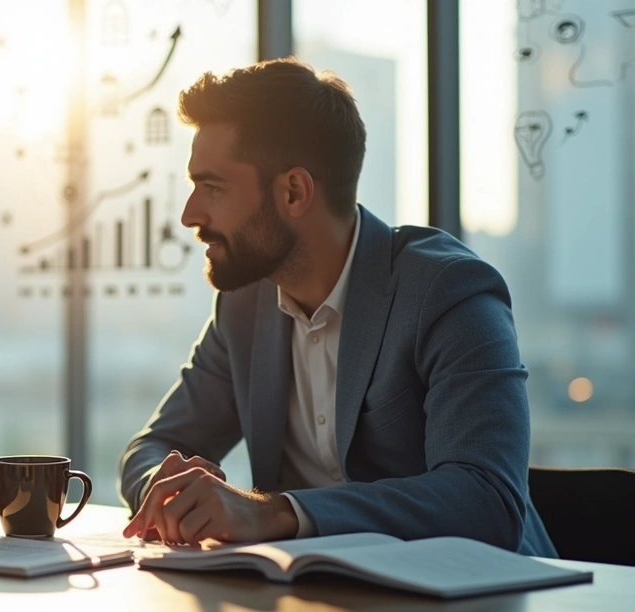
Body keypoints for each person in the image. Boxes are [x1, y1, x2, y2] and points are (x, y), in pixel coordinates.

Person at [118, 58, 556, 556]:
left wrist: (274, 513)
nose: (189, 214)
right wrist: (168, 486)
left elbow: (487, 501)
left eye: (213, 187)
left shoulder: (447, 291)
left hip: (486, 609)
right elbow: (150, 448)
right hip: (313, 605)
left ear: (294, 191)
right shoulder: (244, 306)